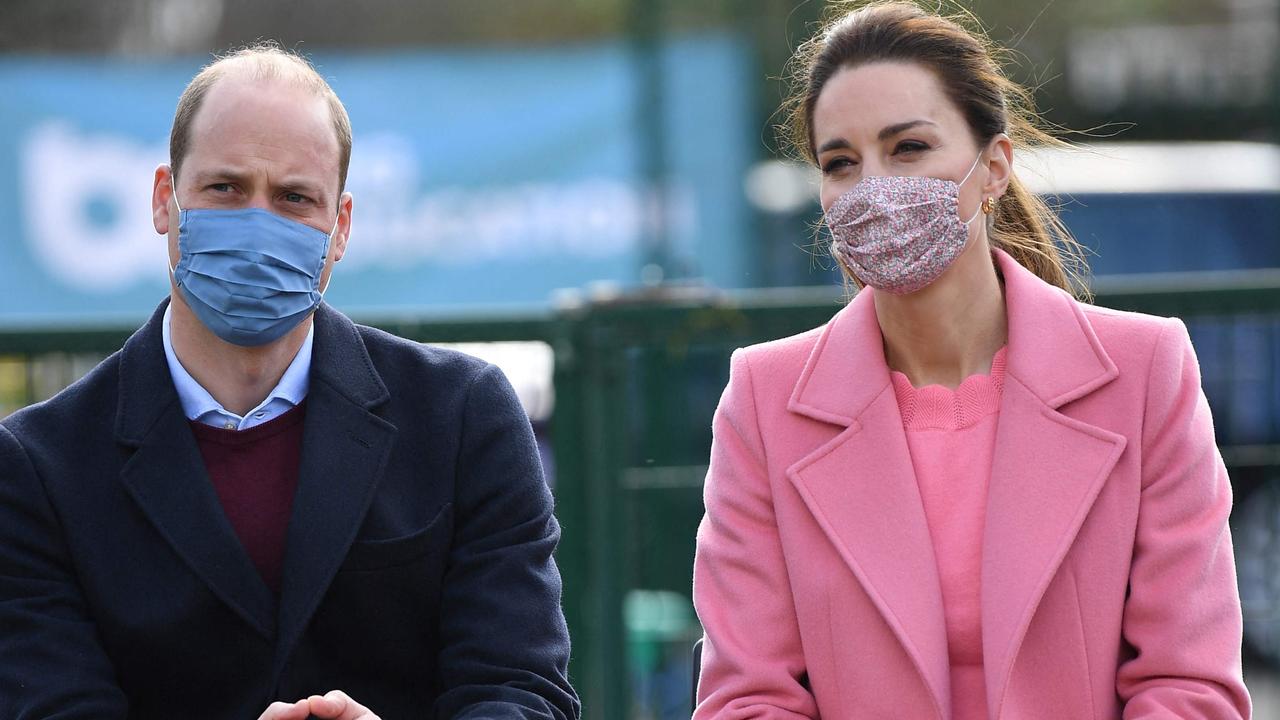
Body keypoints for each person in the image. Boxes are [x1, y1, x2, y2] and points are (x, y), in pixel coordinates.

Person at [691, 2, 1252, 718]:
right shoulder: (764, 402)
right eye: (840, 162)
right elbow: (747, 697)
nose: (873, 189)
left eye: (909, 148)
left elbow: (1189, 684)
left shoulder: (1144, 371)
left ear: (994, 168)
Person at [0, 44, 579, 720]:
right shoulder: (38, 467)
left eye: (294, 198)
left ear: (341, 228)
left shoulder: (461, 418)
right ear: (165, 200)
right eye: (226, 189)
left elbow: (520, 688)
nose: (257, 224)